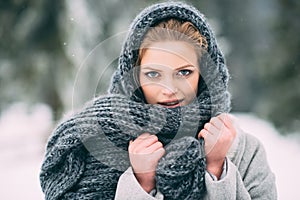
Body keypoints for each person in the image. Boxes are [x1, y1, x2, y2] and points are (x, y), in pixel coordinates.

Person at [40, 2, 277, 199]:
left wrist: (216, 170)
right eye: (153, 74)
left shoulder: (243, 150)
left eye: (184, 72)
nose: (169, 89)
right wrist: (140, 183)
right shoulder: (99, 143)